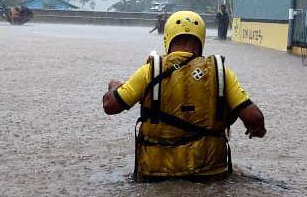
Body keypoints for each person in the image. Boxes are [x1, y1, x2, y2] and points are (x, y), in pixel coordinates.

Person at [102, 10, 266, 181]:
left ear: (167, 37)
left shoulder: (150, 70)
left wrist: (114, 87)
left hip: (157, 174)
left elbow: (111, 106)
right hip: (210, 173)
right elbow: (255, 117)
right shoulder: (221, 72)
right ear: (201, 39)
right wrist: (257, 129)